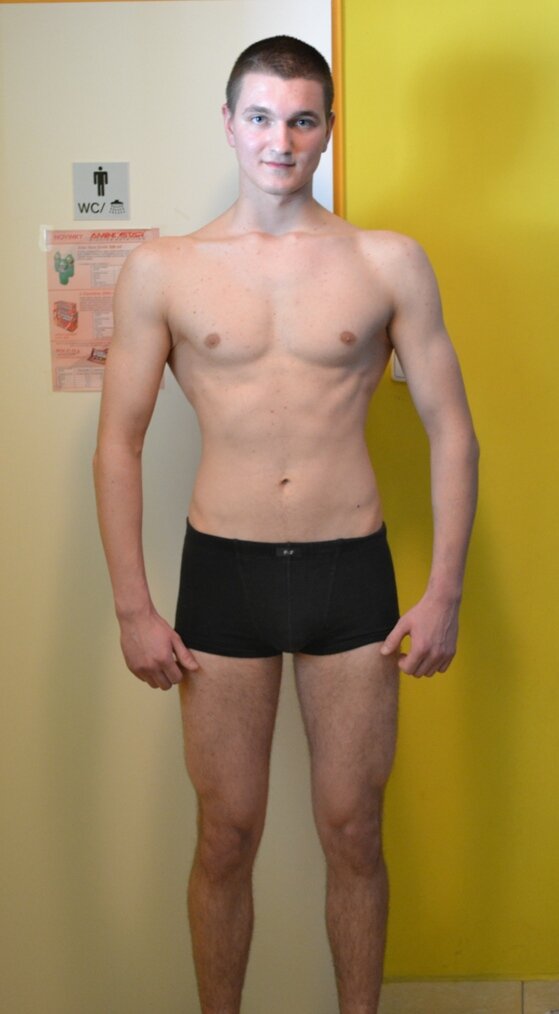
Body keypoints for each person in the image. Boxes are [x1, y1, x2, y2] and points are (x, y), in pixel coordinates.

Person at [93, 35, 479, 1014]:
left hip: (349, 570)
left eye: (301, 120)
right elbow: (118, 444)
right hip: (224, 573)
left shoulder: (386, 261)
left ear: (327, 130)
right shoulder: (163, 270)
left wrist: (443, 590)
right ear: (229, 123)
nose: (280, 140)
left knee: (352, 831)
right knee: (226, 835)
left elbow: (451, 431)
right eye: (261, 117)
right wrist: (134, 608)